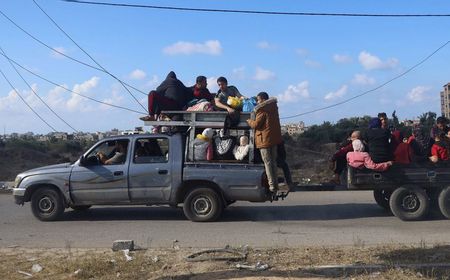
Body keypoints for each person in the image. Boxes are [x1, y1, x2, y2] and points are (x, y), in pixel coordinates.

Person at [247, 92, 282, 192]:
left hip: (264, 140)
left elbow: (256, 125)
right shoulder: (273, 108)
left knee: (267, 163)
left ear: (262, 99)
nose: (257, 102)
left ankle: (271, 186)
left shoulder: (262, 110)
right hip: (273, 139)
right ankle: (276, 184)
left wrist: (249, 121)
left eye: (258, 100)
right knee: (273, 163)